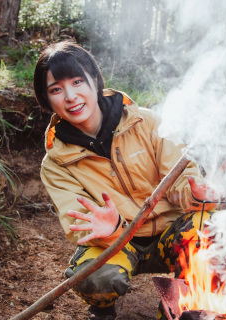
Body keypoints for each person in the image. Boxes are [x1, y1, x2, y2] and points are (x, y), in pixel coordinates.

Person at [34, 40, 215, 320]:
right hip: (115, 242)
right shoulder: (55, 163)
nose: (70, 96)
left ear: (95, 80)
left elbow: (182, 177)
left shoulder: (148, 123)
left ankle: (178, 310)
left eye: (78, 81)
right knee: (95, 277)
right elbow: (78, 222)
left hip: (171, 232)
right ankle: (103, 310)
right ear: (47, 100)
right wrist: (113, 229)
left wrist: (194, 195)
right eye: (56, 89)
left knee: (211, 235)